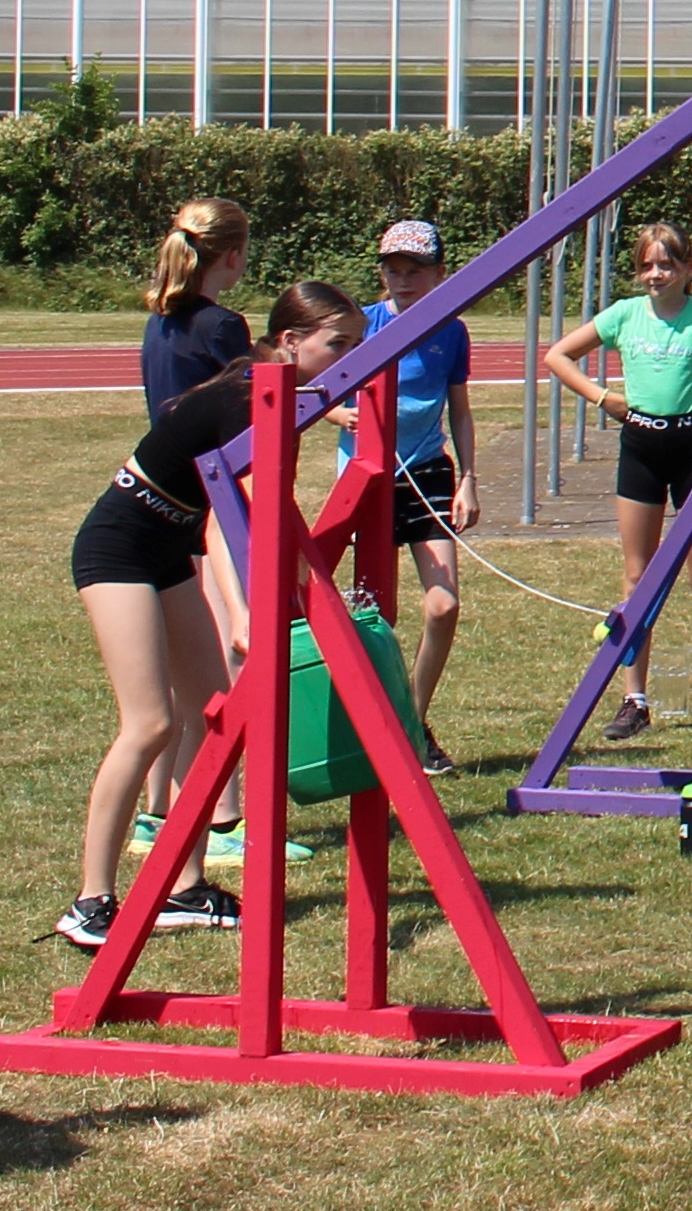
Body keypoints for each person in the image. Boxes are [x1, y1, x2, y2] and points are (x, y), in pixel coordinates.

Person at [58, 279, 366, 951]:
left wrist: (243, 608)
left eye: (356, 347)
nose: (348, 362)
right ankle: (89, 902)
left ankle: (185, 885)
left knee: (210, 714)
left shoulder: (273, 394)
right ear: (290, 342)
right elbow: (256, 515)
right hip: (117, 548)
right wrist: (264, 602)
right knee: (150, 723)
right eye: (337, 345)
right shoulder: (250, 399)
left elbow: (224, 520)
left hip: (171, 546)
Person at [541, 222, 692, 746]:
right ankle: (635, 700)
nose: (656, 274)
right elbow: (558, 356)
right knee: (638, 578)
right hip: (641, 449)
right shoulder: (624, 315)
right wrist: (602, 397)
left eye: (667, 265)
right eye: (647, 265)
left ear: (688, 269)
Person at [367, 218, 479, 727]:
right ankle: (372, 728)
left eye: (415, 270)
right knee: (374, 616)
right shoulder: (362, 324)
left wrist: (468, 479)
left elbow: (460, 410)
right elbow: (316, 389)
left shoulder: (452, 332)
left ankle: (412, 722)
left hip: (428, 471)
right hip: (369, 476)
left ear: (440, 273)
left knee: (443, 606)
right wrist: (342, 415)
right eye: (393, 270)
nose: (403, 280)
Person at [140, 198, 253, 418]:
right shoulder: (222, 325)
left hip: (164, 441)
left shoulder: (157, 322)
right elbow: (255, 406)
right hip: (208, 442)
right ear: (233, 256)